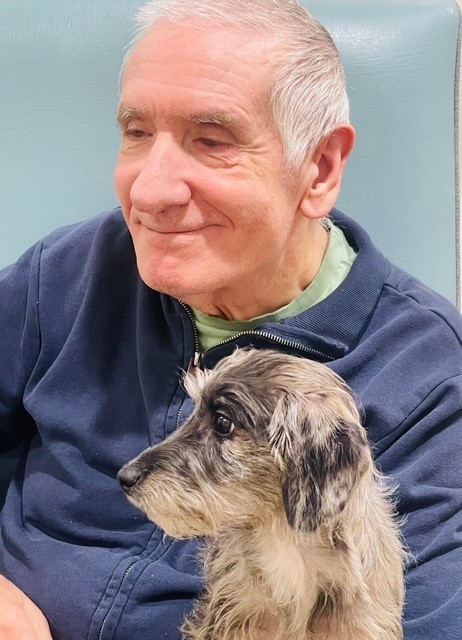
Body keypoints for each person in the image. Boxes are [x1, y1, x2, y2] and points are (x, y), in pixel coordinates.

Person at [0, 0, 461, 638]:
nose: (148, 191)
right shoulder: (66, 272)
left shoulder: (431, 381)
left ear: (320, 169)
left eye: (211, 140)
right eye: (137, 132)